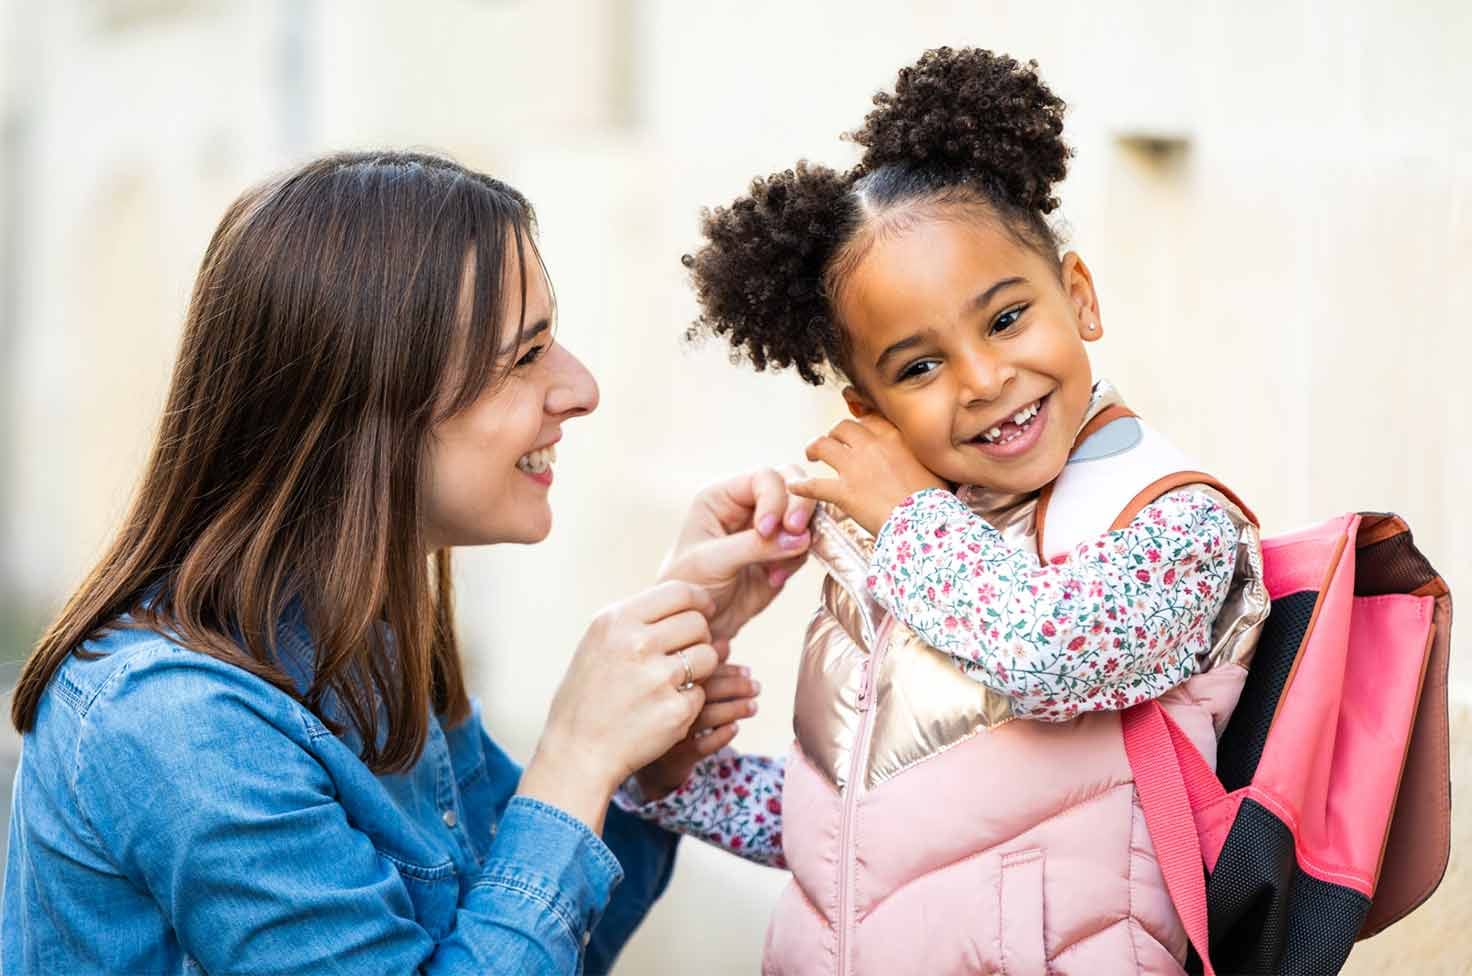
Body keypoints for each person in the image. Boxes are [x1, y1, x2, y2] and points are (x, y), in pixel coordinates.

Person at [1, 150, 816, 975]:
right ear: (367, 401)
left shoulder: (363, 640)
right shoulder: (182, 723)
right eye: (525, 356)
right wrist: (575, 756)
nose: (581, 388)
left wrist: (651, 703)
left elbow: (545, 944)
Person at [614, 48, 1269, 974]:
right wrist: (673, 769)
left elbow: (1051, 656)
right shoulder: (905, 551)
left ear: (1079, 298)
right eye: (920, 366)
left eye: (1005, 319)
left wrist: (909, 520)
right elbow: (861, 835)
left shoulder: (1170, 521)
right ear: (871, 410)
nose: (985, 378)